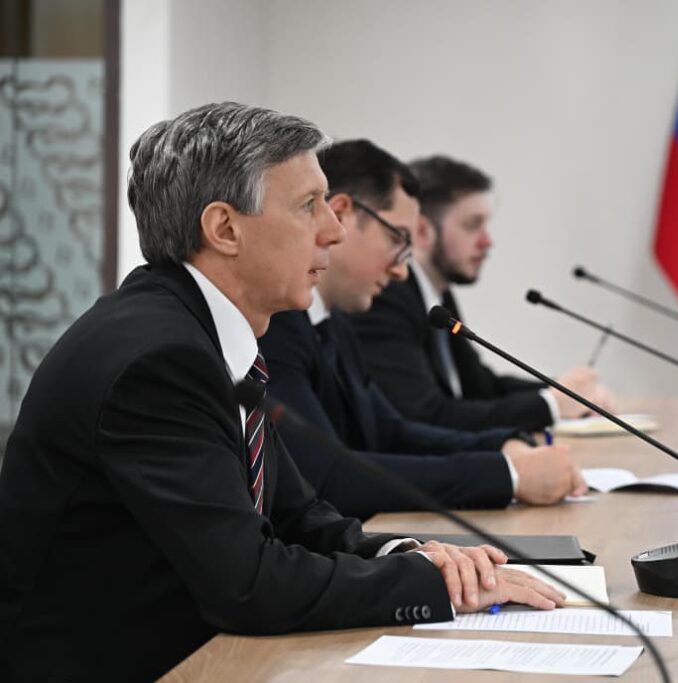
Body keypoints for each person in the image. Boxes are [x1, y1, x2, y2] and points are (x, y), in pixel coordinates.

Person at [0, 104, 564, 682]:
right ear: (225, 229)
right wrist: (428, 585)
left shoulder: (200, 331)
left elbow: (298, 516)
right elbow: (249, 584)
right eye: (308, 205)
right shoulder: (159, 360)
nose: (334, 230)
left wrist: (414, 555)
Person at [260, 140, 585, 518]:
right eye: (397, 240)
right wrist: (508, 475)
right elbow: (329, 479)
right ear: (342, 216)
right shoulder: (276, 326)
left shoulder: (335, 322)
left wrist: (502, 446)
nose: (402, 271)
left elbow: (391, 431)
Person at [351, 155, 614, 432]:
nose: (487, 241)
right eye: (472, 225)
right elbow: (426, 414)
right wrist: (550, 405)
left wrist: (566, 393)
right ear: (424, 231)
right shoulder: (388, 297)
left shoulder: (437, 295)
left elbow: (480, 386)